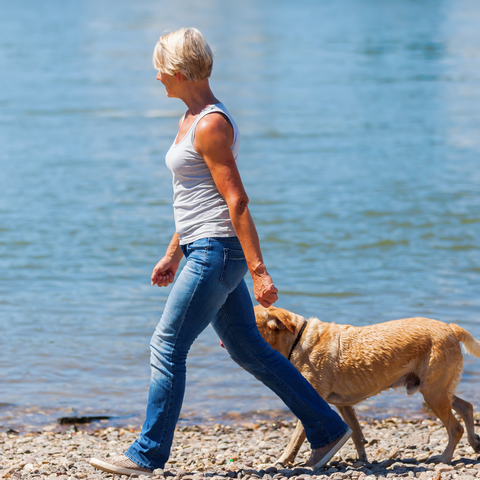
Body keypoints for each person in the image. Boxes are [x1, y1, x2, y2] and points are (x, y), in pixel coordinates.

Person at [90, 27, 351, 477]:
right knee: (250, 351)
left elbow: (237, 200)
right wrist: (173, 251)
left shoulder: (211, 123)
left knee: (167, 345)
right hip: (200, 247)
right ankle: (327, 427)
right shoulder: (189, 119)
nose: (156, 78)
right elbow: (195, 197)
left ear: (177, 70)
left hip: (216, 252)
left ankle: (146, 454)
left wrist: (259, 271)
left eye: (159, 68)